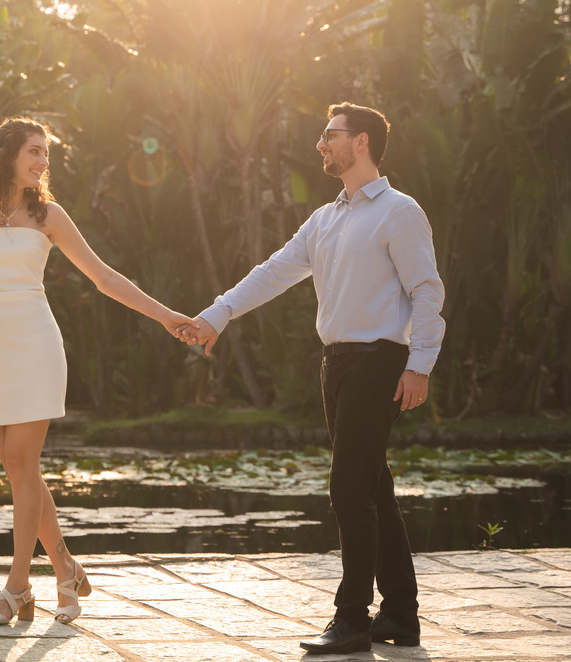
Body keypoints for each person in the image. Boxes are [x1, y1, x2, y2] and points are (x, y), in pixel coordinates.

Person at [184, 102, 445, 654]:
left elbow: (426, 289)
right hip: (338, 365)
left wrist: (419, 363)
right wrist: (218, 313)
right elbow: (275, 271)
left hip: (380, 362)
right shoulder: (325, 219)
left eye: (331, 135)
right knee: (373, 487)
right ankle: (401, 614)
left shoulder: (399, 211)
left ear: (362, 141)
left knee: (348, 488)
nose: (321, 144)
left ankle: (351, 619)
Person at [0, 116, 196, 626]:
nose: (44, 162)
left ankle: (17, 587)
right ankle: (65, 566)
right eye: (35, 151)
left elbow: (104, 277)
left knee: (22, 464)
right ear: (6, 153)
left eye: (46, 153)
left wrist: (165, 316)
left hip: (35, 348)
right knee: (19, 469)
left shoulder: (49, 215)